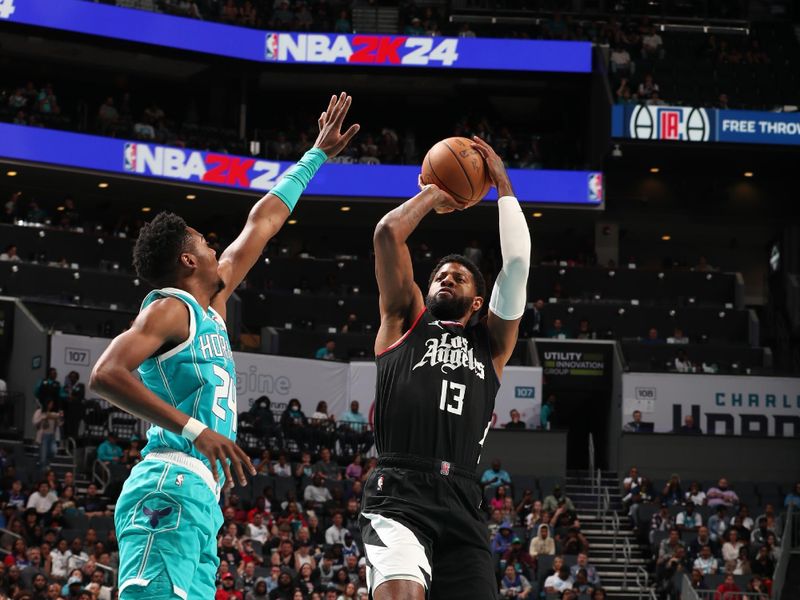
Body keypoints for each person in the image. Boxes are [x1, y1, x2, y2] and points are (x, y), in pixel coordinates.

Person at [88, 93, 358, 600]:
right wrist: (197, 431)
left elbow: (264, 222)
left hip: (200, 499)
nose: (216, 246)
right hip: (167, 482)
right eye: (204, 242)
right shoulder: (170, 308)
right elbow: (105, 373)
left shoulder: (214, 302)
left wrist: (316, 155)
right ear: (188, 262)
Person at [360, 136, 531, 600]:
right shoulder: (404, 321)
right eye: (439, 275)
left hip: (461, 498)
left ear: (479, 300)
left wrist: (502, 184)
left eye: (458, 276)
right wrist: (435, 194)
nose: (445, 277)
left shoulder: (491, 343)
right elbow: (386, 234)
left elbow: (516, 264)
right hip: (398, 491)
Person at [33, 400, 62, 468]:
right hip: (43, 435)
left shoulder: (53, 413)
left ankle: (46, 462)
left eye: (52, 404)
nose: (51, 405)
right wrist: (43, 417)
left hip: (51, 435)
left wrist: (59, 417)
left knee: (54, 451)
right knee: (43, 457)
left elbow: (59, 423)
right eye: (50, 404)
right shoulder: (39, 411)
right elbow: (34, 422)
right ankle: (42, 468)